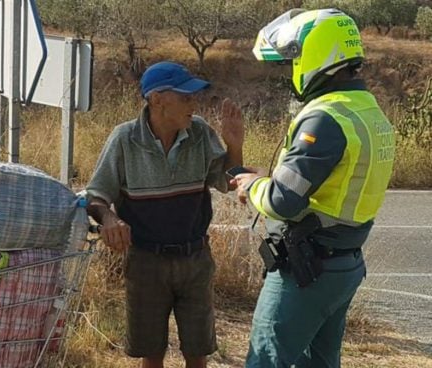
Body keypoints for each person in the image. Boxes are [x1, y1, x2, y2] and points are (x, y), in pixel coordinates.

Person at [231, 9, 396, 368]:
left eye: (294, 58)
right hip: (343, 264)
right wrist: (273, 175)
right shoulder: (367, 111)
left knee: (265, 361)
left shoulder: (326, 117)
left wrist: (255, 184)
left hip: (307, 270)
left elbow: (282, 200)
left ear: (316, 54)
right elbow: (330, 178)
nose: (292, 69)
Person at [85, 61, 244, 368]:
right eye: (185, 97)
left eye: (193, 97)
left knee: (197, 352)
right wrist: (109, 218)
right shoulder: (124, 140)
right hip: (146, 261)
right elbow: (96, 196)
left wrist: (234, 146)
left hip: (195, 260)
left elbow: (229, 181)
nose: (193, 104)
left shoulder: (200, 133)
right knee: (151, 352)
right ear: (157, 100)